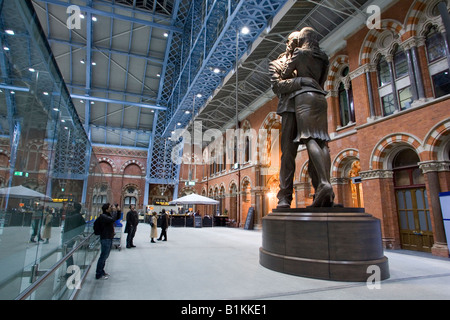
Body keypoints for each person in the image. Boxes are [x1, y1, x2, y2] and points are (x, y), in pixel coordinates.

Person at [280, 27, 334, 207]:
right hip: (320, 98)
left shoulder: (300, 54)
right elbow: (322, 80)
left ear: (301, 40)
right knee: (321, 140)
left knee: (310, 137)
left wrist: (299, 78)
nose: (292, 44)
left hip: (304, 98)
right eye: (290, 42)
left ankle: (323, 184)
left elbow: (285, 75)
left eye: (296, 40)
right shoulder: (324, 57)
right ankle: (327, 184)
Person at [269, 31, 323, 209]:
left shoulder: (307, 56)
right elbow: (277, 86)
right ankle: (284, 196)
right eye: (293, 40)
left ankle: (320, 192)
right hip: (289, 108)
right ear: (287, 42)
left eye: (298, 40)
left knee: (316, 145)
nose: (295, 43)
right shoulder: (276, 63)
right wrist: (302, 81)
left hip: (309, 104)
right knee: (288, 153)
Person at [95, 203, 120, 280]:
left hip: (109, 237)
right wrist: (115, 210)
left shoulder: (107, 215)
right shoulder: (103, 216)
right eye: (110, 207)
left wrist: (118, 211)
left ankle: (101, 271)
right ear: (106, 209)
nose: (111, 208)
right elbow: (113, 219)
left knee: (105, 256)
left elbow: (116, 218)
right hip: (105, 238)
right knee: (103, 256)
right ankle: (98, 273)